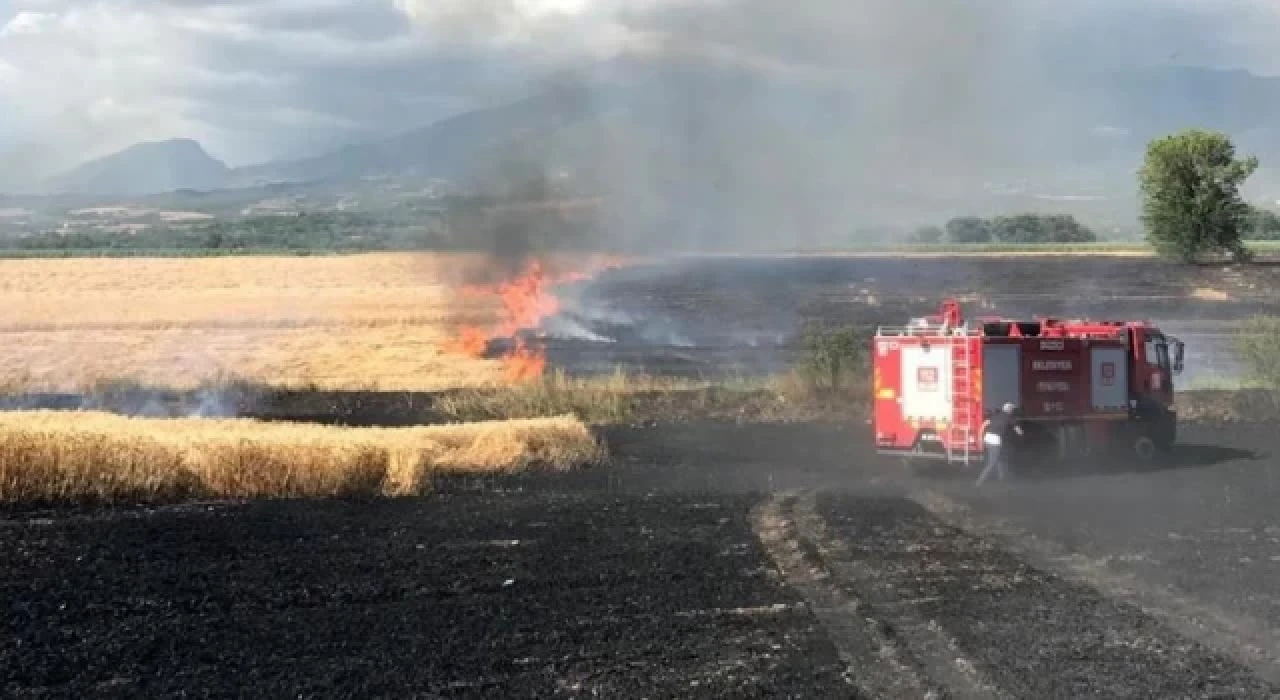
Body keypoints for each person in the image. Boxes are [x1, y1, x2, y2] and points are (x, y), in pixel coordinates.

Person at [977, 402, 1022, 485]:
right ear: (1009, 410)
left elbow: (984, 425)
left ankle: (1002, 478)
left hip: (987, 439)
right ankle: (979, 482)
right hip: (995, 441)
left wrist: (980, 438)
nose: (1012, 410)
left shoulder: (995, 415)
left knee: (999, 458)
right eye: (1012, 409)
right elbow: (1018, 430)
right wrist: (1021, 433)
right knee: (992, 463)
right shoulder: (1009, 417)